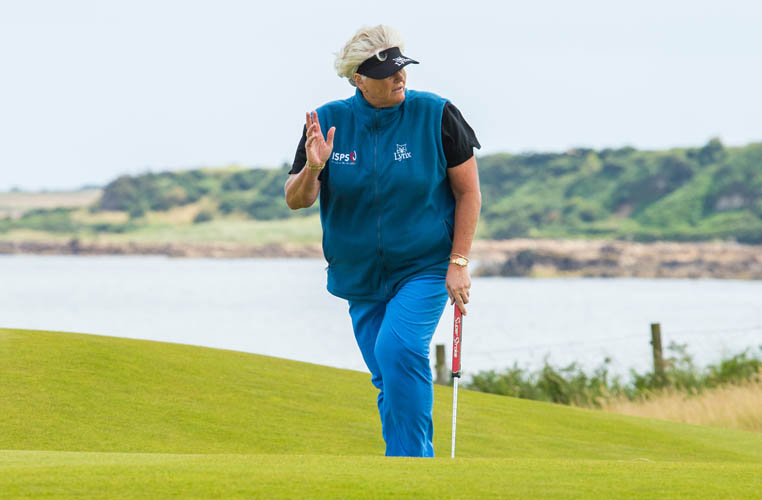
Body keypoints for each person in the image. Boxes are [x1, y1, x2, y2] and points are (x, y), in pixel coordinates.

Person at [284, 25, 481, 457]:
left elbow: (469, 192)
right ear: (358, 78)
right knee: (389, 373)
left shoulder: (436, 114)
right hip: (359, 275)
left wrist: (459, 262)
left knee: (399, 349)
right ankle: (401, 467)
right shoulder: (326, 122)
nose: (399, 78)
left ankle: (411, 467)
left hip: (425, 266)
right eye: (386, 72)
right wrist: (314, 167)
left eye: (401, 68)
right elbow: (296, 199)